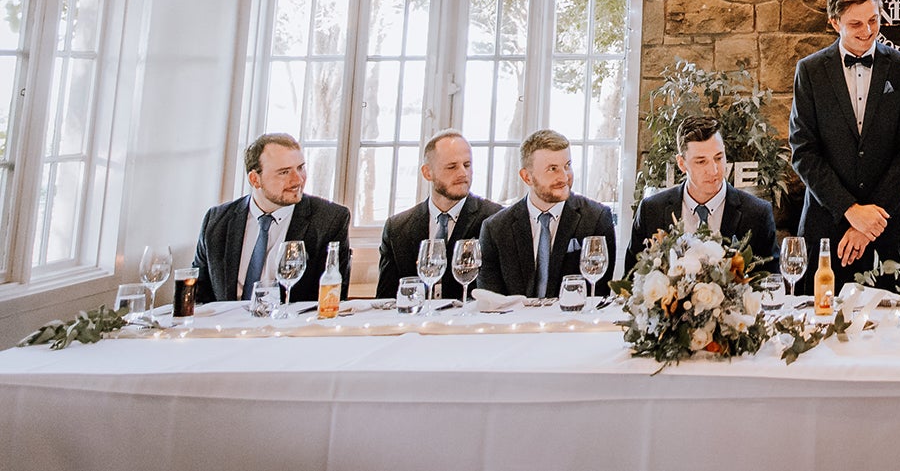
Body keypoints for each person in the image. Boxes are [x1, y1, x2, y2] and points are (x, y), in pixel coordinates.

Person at [789, 0, 900, 279]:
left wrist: (868, 224)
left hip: (886, 228)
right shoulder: (810, 71)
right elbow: (803, 151)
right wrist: (850, 210)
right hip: (826, 227)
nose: (867, 31)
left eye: (873, 20)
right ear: (835, 22)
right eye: (855, 24)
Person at [193, 133, 351, 303]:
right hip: (227, 326)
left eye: (300, 168)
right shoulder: (217, 221)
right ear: (255, 179)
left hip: (291, 326)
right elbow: (198, 295)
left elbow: (330, 300)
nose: (298, 180)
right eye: (284, 172)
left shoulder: (330, 220)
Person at [477, 129, 619, 299]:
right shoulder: (495, 228)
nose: (564, 177)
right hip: (513, 322)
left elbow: (597, 294)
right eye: (553, 169)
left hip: (572, 321)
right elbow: (491, 300)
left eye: (567, 165)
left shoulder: (596, 219)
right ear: (527, 177)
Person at [629, 114, 777, 269]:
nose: (713, 170)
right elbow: (631, 282)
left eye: (718, 158)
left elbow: (773, 283)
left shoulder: (758, 214)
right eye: (701, 161)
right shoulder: (651, 211)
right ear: (681, 163)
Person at [375, 130, 502, 300]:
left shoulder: (495, 220)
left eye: (467, 165)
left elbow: (499, 297)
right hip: (414, 324)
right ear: (428, 172)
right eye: (452, 167)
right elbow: (386, 300)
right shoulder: (397, 228)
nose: (463, 173)